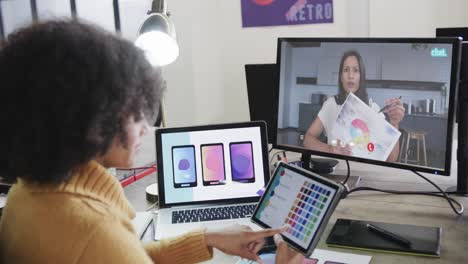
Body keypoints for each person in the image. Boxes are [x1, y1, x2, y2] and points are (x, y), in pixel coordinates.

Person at [0, 20, 303, 263]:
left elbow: (127, 255)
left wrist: (209, 239)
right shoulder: (91, 230)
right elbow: (110, 250)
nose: (147, 126)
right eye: (134, 110)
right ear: (88, 114)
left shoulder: (25, 194)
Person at [303, 50, 404, 162]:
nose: (350, 76)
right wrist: (329, 149)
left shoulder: (373, 109)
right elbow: (307, 139)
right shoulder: (331, 104)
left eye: (356, 70)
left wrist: (394, 123)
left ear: (361, 77)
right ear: (341, 77)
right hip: (337, 171)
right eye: (346, 70)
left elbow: (391, 159)